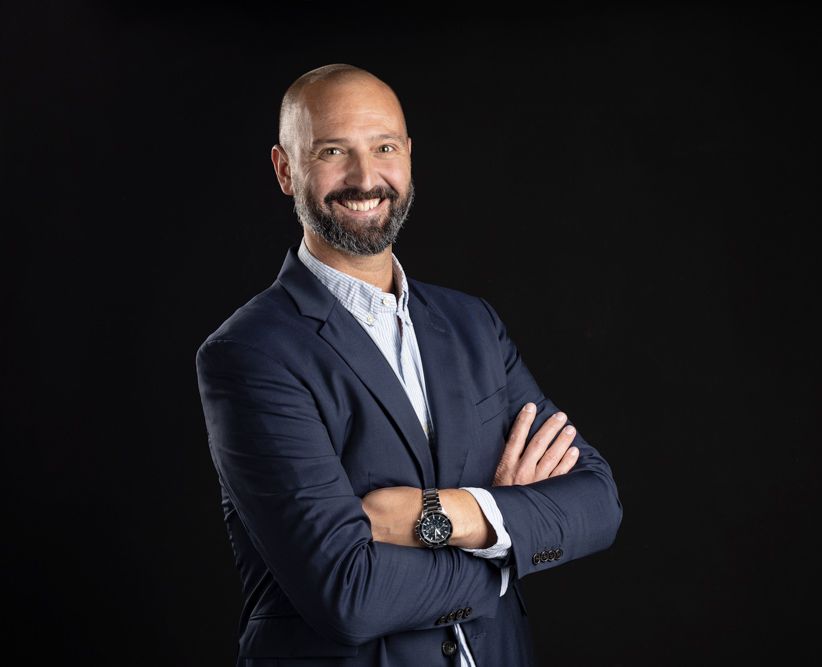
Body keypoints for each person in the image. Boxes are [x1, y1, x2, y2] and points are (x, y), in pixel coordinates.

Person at [195, 63, 623, 667]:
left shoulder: (473, 324)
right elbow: (351, 594)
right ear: (285, 170)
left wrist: (447, 516)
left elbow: (598, 503)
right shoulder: (249, 354)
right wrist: (508, 540)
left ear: (409, 157)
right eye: (333, 151)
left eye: (384, 147)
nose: (365, 178)